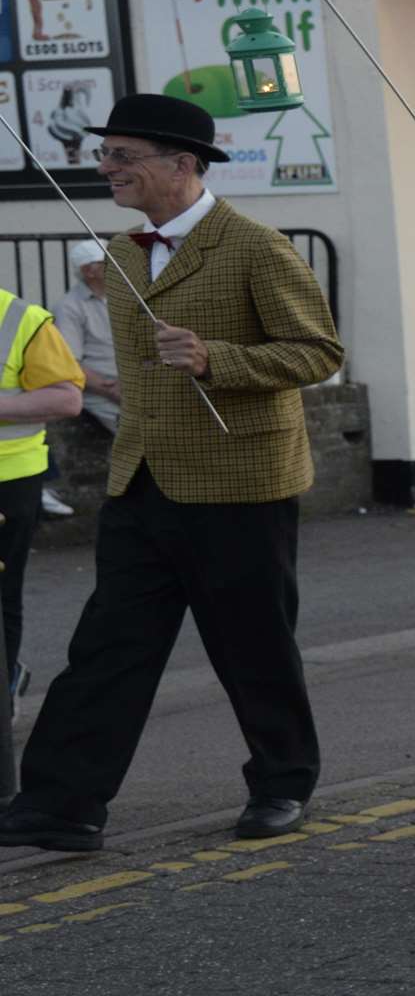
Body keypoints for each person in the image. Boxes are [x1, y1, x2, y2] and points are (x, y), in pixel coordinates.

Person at [0, 94, 344, 851]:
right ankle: (62, 804)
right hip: (141, 481)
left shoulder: (254, 246)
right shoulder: (121, 254)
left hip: (239, 484)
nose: (106, 169)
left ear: (182, 165)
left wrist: (217, 356)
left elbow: (319, 351)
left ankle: (283, 785)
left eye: (123, 156)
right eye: (105, 155)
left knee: (252, 646)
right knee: (108, 646)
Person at [0, 281, 84, 801]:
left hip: (7, 482)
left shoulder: (20, 318)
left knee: (2, 604)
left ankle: (4, 697)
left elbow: (67, 397)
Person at [53, 239, 121, 434]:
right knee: (145, 436)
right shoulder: (68, 307)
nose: (118, 266)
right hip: (103, 395)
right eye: (107, 263)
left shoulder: (125, 297)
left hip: (131, 387)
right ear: (88, 271)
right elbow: (69, 365)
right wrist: (114, 391)